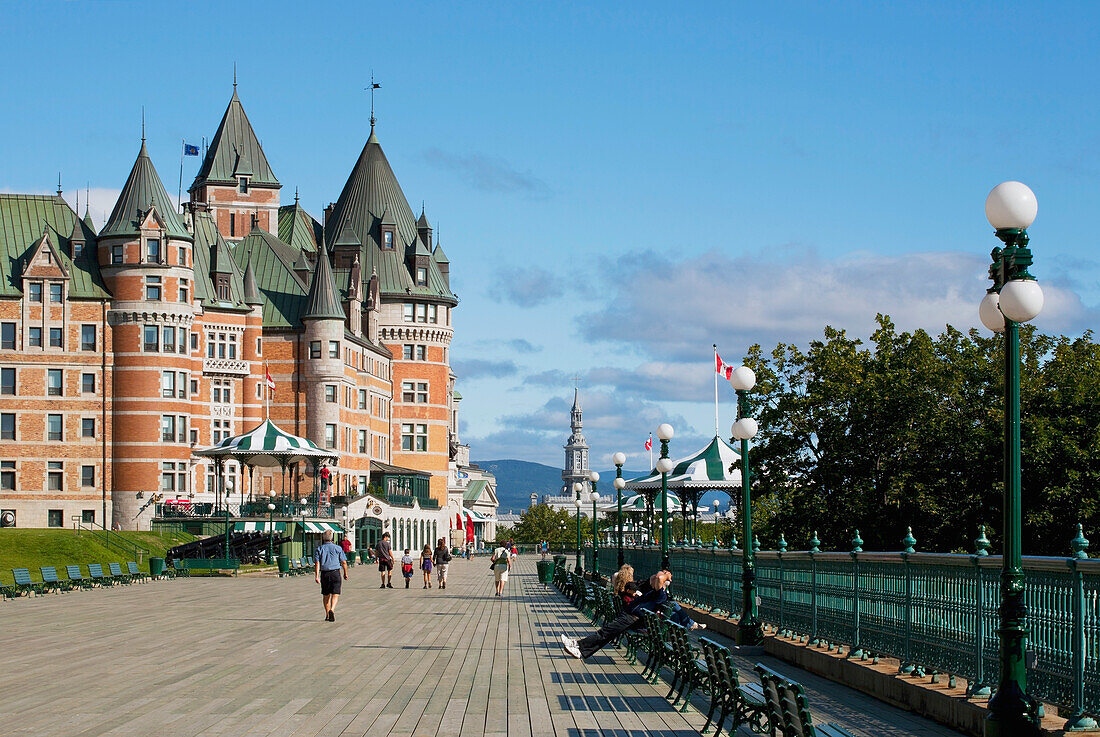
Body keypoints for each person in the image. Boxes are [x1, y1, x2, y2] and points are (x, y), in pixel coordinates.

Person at [561, 570, 678, 659]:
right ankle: (581, 650)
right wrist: (663, 573)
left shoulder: (660, 594)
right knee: (607, 634)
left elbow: (658, 577)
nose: (652, 579)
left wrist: (667, 575)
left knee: (605, 632)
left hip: (633, 619)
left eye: (655, 579)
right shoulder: (653, 591)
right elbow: (656, 577)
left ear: (662, 584)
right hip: (630, 616)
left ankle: (578, 646)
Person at [313, 530, 349, 622]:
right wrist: (345, 573)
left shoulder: (319, 549)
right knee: (335, 594)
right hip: (335, 573)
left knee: (326, 595)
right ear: (332, 538)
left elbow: (317, 563)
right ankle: (332, 610)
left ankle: (327, 614)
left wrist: (316, 576)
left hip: (325, 573)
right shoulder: (338, 548)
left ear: (323, 538)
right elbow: (344, 562)